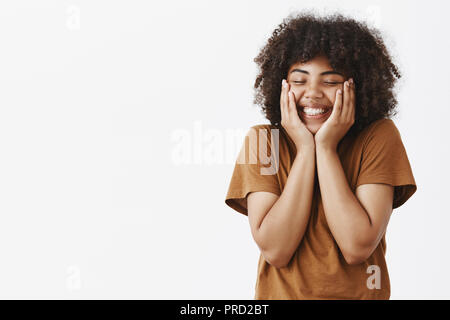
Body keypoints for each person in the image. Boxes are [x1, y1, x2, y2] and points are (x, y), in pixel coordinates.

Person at [224, 11, 417, 299]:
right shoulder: (262, 141)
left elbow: (357, 246)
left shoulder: (379, 137)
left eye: (330, 81)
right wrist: (305, 149)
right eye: (299, 81)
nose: (312, 93)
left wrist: (325, 149)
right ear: (281, 86)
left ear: (357, 87)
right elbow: (276, 249)